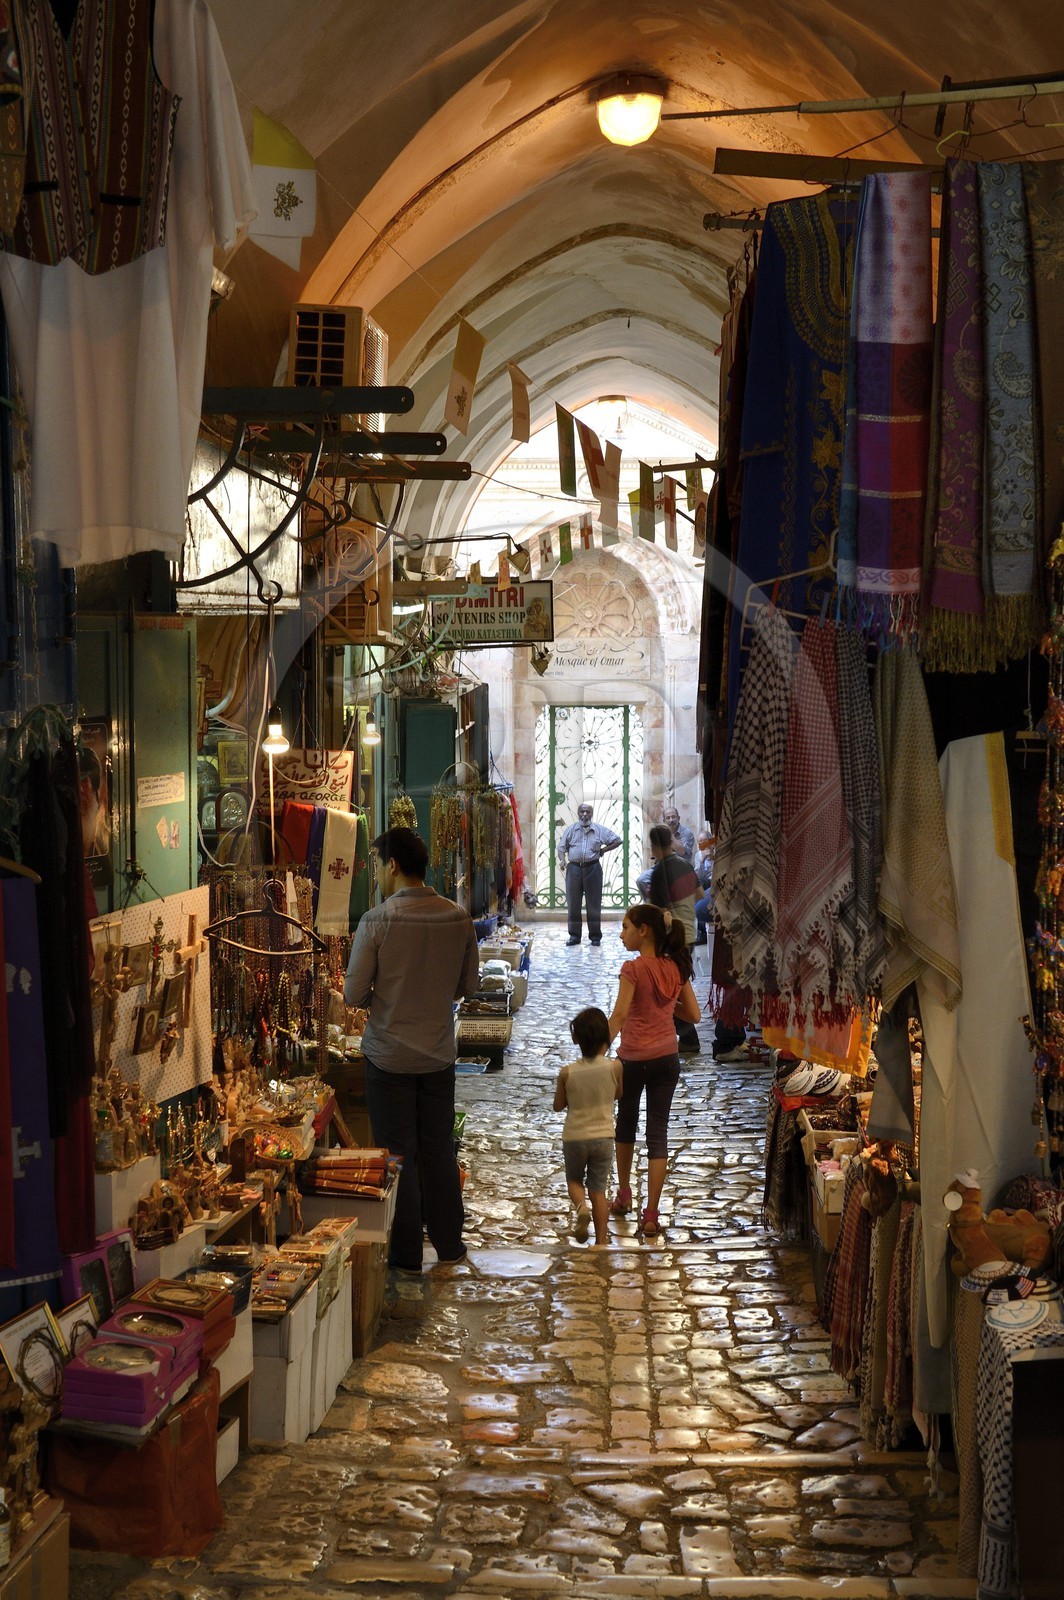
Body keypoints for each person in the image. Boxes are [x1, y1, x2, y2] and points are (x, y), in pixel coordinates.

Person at [344, 826, 479, 1274]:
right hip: (438, 1056)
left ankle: (405, 1257)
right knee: (438, 1149)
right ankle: (449, 1245)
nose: (379, 875)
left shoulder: (377, 921)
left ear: (393, 866)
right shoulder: (458, 918)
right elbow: (466, 987)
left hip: (388, 1059)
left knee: (396, 1155)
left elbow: (353, 994)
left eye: (379, 866)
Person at [606, 903, 700, 1237]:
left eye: (626, 926)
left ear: (643, 930)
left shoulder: (633, 969)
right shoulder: (675, 966)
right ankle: (651, 1215)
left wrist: (597, 1050)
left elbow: (618, 1016)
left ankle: (624, 1196)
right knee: (657, 1133)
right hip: (667, 1058)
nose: (622, 933)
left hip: (632, 1058)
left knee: (625, 1125)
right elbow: (694, 1015)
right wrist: (665, 1002)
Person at [553, 1006, 622, 1246]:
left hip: (575, 1137)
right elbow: (618, 1093)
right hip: (604, 1137)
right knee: (599, 1191)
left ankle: (581, 1208)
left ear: (577, 1040)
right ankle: (601, 1242)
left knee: (574, 1180)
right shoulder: (615, 1067)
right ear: (606, 1038)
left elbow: (558, 1105)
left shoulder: (567, 1073)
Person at [648, 824, 701, 1054]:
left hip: (672, 935)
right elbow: (699, 895)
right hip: (689, 931)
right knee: (679, 983)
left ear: (655, 846)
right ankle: (686, 1038)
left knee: (673, 987)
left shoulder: (661, 871)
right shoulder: (684, 863)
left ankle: (689, 1039)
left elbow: (660, 910)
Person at [556, 802, 621, 946]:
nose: (585, 815)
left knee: (594, 904)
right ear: (578, 813)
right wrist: (562, 860)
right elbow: (561, 848)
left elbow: (617, 840)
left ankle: (595, 937)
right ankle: (574, 936)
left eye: (588, 812)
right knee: (573, 904)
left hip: (593, 869)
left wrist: (604, 850)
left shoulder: (599, 830)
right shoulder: (571, 830)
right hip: (574, 870)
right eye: (582, 812)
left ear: (591, 814)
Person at [693, 831, 715, 945]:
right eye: (699, 843)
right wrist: (702, 860)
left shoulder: (718, 851)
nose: (702, 845)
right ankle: (702, 931)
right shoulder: (698, 855)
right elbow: (699, 875)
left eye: (704, 842)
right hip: (705, 882)